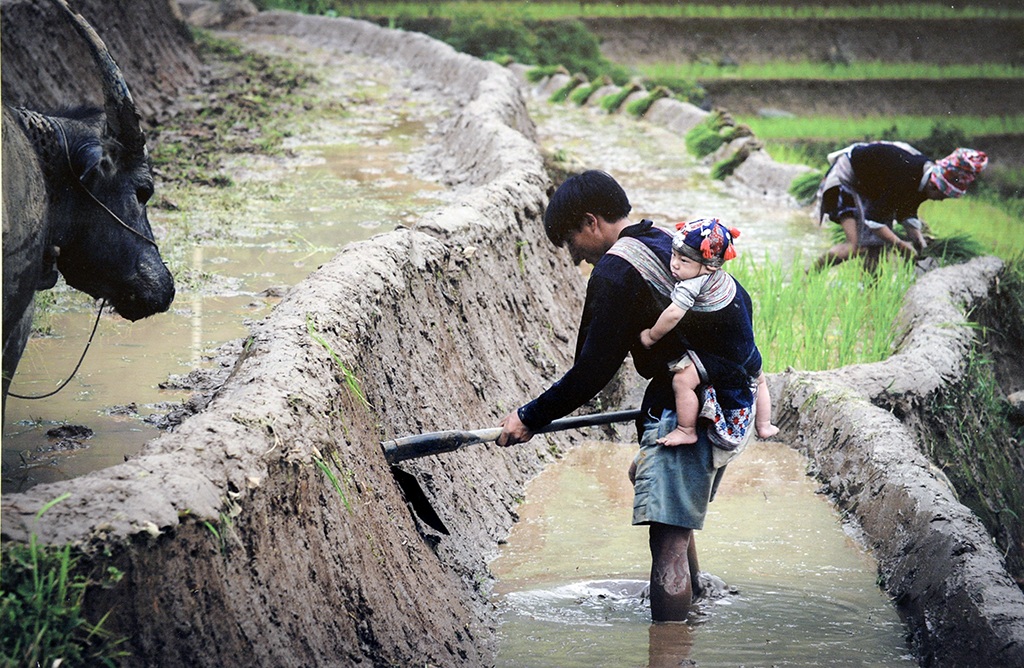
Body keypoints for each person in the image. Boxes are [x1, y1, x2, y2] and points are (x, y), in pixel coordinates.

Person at [495, 170, 755, 622]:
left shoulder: (617, 270)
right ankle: (697, 595)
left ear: (591, 222)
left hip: (690, 411)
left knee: (666, 542)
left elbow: (591, 371)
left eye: (572, 243)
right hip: (732, 400)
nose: (576, 258)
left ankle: (672, 641)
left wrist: (529, 417)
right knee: (647, 480)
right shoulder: (667, 241)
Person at [639, 218, 778, 447]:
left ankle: (686, 429)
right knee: (760, 380)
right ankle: (764, 425)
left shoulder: (693, 284)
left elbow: (673, 314)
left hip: (723, 356)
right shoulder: (724, 280)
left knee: (682, 381)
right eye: (674, 256)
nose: (674, 264)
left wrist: (651, 336)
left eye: (683, 260)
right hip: (747, 350)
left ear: (710, 265)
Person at [812, 142, 988, 271]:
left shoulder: (923, 182)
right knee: (857, 245)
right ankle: (807, 276)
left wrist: (918, 239)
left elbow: (906, 210)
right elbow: (874, 221)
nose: (942, 200)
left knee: (877, 248)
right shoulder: (905, 177)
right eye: (943, 196)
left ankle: (871, 292)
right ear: (934, 185)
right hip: (847, 177)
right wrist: (902, 245)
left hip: (871, 186)